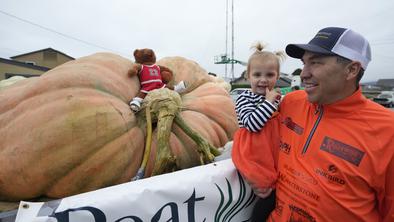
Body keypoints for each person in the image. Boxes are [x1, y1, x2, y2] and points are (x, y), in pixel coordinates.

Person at [232, 27, 394, 222]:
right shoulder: (289, 103)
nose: (303, 74)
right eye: (304, 63)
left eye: (316, 63)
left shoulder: (387, 131)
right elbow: (253, 136)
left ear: (351, 69)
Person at [233, 42, 284, 221]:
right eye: (257, 74)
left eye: (270, 74)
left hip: (272, 149)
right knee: (265, 190)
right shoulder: (244, 98)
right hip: (254, 150)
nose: (263, 80)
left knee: (279, 191)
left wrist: (274, 101)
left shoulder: (277, 99)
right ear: (248, 76)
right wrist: (269, 103)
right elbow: (253, 124)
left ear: (277, 76)